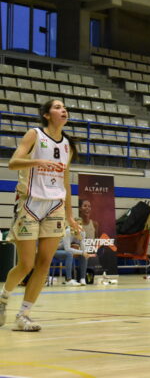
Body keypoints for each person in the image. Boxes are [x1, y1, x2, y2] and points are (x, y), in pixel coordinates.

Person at [0, 99, 80, 331]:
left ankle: (23, 315)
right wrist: (37, 161)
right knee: (26, 264)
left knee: (44, 264)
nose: (63, 109)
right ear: (46, 115)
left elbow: (66, 181)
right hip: (30, 203)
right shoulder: (34, 134)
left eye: (64, 107)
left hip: (55, 205)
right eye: (57, 107)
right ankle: (3, 298)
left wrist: (70, 215)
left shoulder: (67, 145)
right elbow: (13, 163)